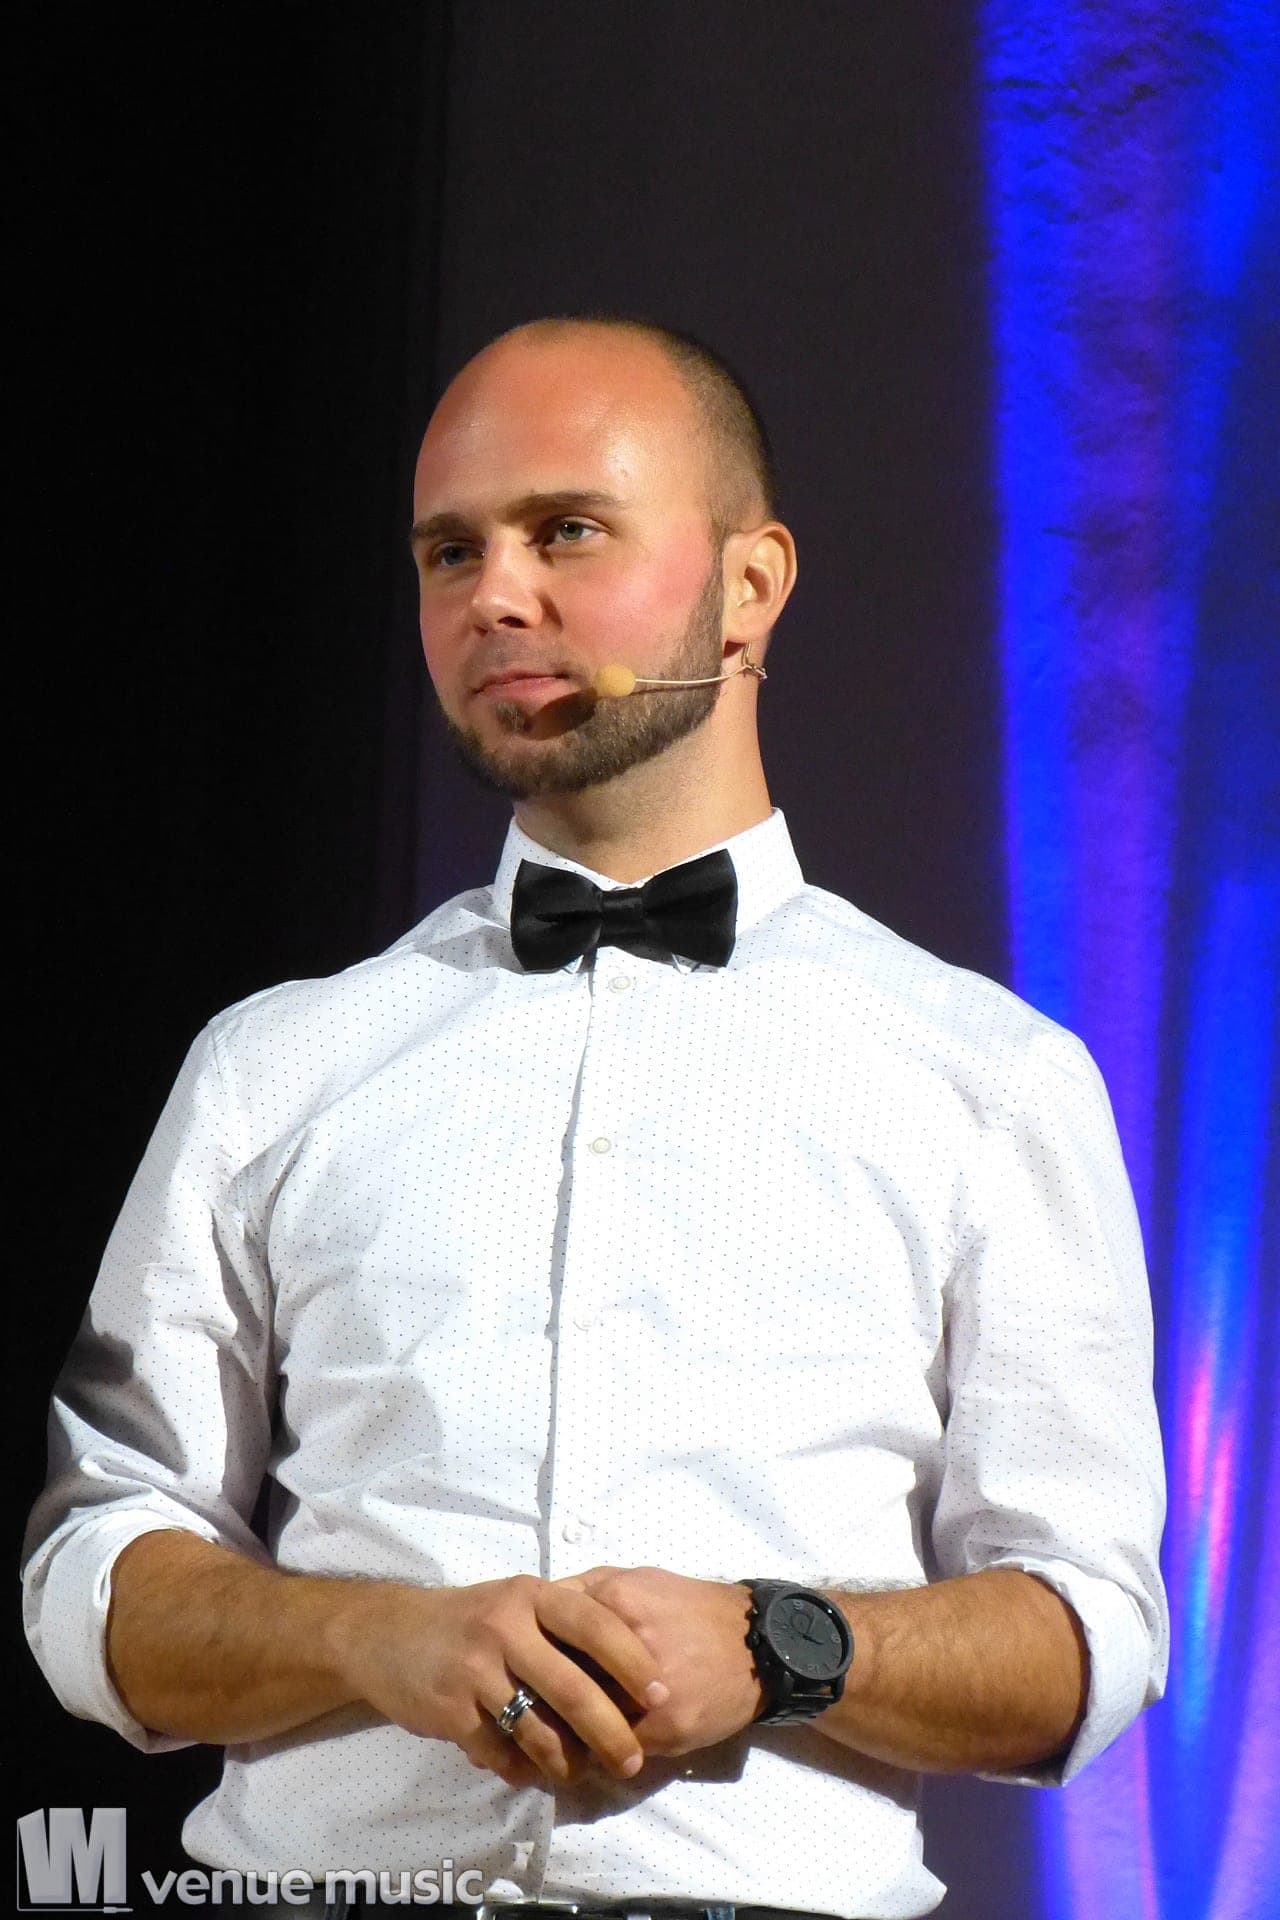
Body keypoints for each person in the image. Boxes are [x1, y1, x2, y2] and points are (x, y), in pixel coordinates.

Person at [22, 314, 1168, 1920]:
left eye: (565, 530)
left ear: (750, 584)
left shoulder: (989, 1079)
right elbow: (93, 1570)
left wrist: (780, 1646)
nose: (494, 597)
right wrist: (370, 1634)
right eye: (449, 551)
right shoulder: (270, 1066)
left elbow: (1086, 1631)